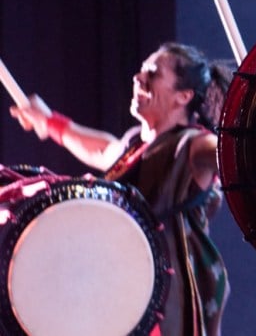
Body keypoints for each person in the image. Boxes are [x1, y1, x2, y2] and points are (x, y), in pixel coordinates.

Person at [9, 42, 232, 336]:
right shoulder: (133, 146)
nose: (138, 78)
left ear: (184, 96)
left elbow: (226, 151)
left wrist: (253, 137)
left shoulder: (192, 145)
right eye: (140, 71)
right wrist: (49, 122)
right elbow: (102, 149)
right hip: (124, 291)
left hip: (166, 299)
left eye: (152, 73)